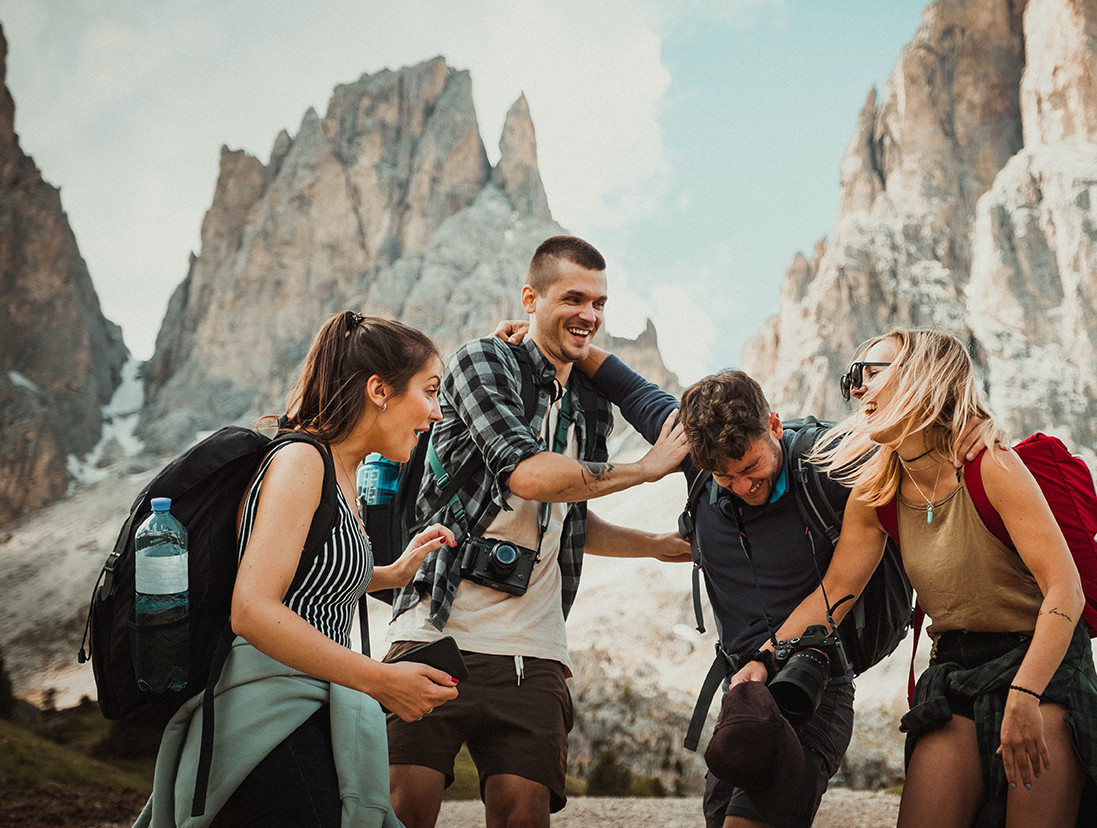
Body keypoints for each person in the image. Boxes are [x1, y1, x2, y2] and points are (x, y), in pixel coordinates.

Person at [776, 327, 1097, 827]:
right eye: (854, 376)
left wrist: (1027, 693)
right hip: (955, 670)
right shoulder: (876, 494)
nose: (857, 388)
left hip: (1042, 665)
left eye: (872, 372)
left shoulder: (991, 466)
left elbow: (1065, 589)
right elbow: (834, 593)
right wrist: (761, 660)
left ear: (922, 376)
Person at [384, 236, 690, 828]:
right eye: (573, 298)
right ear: (530, 298)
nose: (590, 314)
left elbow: (569, 510)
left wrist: (654, 547)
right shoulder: (482, 361)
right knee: (402, 812)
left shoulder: (591, 403)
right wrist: (644, 470)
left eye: (599, 303)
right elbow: (527, 475)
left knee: (525, 816)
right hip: (437, 629)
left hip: (536, 649)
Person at [136, 310, 462, 828]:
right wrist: (381, 680)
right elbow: (252, 610)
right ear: (379, 390)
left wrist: (392, 572)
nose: (437, 412)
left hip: (309, 703)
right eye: (429, 391)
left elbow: (307, 574)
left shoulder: (342, 472)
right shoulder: (302, 462)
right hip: (268, 714)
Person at [575, 350, 853, 828]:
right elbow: (631, 389)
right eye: (726, 477)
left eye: (752, 467)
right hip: (743, 694)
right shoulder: (698, 458)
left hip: (812, 686)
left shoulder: (825, 468)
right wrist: (564, 342)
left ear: (774, 426)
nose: (743, 486)